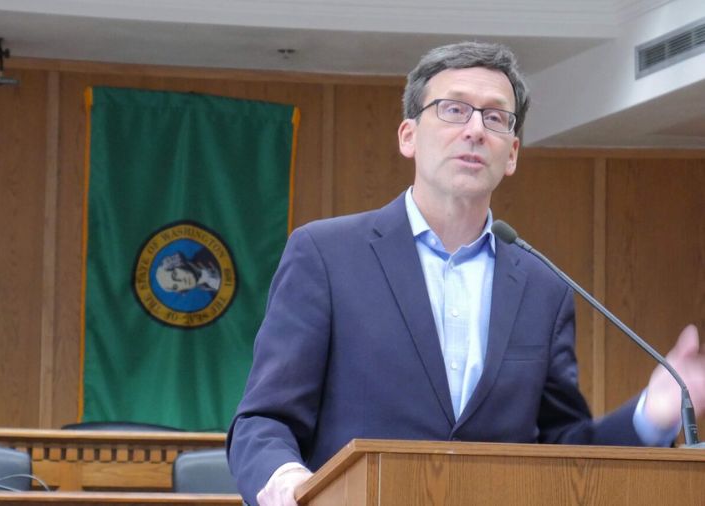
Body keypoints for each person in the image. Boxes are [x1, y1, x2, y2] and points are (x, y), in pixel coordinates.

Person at [225, 41, 705, 506]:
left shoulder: (542, 287)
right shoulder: (326, 254)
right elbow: (263, 421)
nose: (475, 129)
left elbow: (564, 451)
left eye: (495, 117)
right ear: (408, 136)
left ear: (511, 153)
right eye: (453, 110)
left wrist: (652, 415)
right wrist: (285, 478)